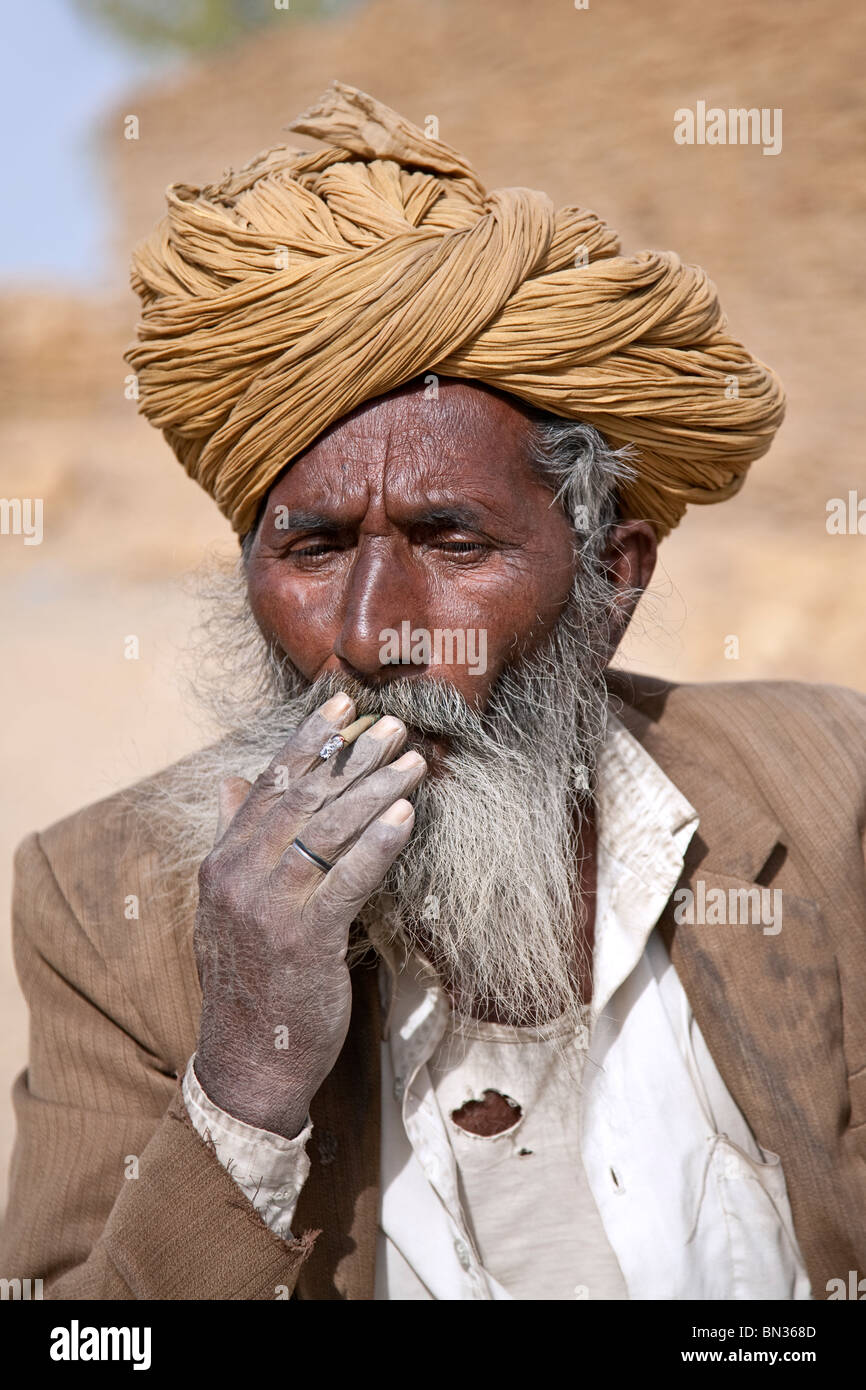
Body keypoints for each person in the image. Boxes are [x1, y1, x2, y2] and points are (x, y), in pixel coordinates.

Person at [1, 83, 864, 1301]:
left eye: (451, 543)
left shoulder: (827, 796)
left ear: (608, 578)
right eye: (310, 551)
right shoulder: (99, 905)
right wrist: (244, 1082)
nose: (365, 635)